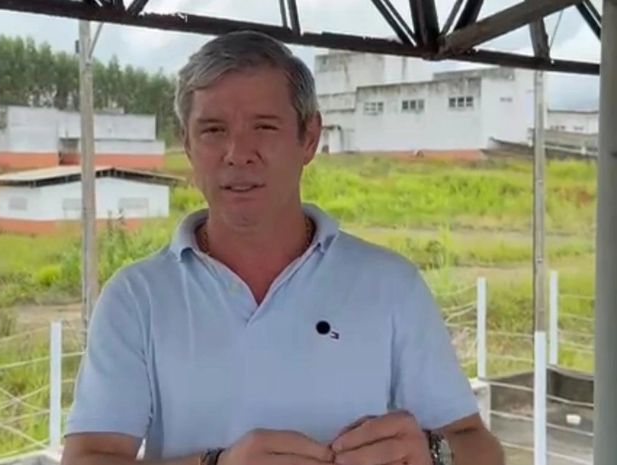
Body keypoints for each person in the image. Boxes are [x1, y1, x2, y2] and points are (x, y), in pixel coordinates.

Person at [62, 31, 504, 465]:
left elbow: (481, 448)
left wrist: (434, 454)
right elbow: (87, 457)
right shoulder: (137, 299)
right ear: (187, 143)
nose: (238, 153)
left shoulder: (391, 285)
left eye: (264, 127)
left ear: (309, 137)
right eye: (213, 130)